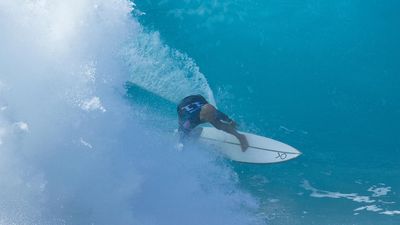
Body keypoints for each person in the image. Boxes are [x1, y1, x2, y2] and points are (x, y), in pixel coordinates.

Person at [177, 94, 249, 151]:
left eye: (214, 115)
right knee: (184, 130)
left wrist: (230, 122)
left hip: (198, 99)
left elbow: (222, 116)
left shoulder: (213, 113)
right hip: (182, 105)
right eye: (211, 116)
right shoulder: (189, 121)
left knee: (218, 124)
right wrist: (181, 144)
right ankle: (195, 131)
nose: (214, 117)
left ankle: (240, 137)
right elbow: (182, 133)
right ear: (204, 117)